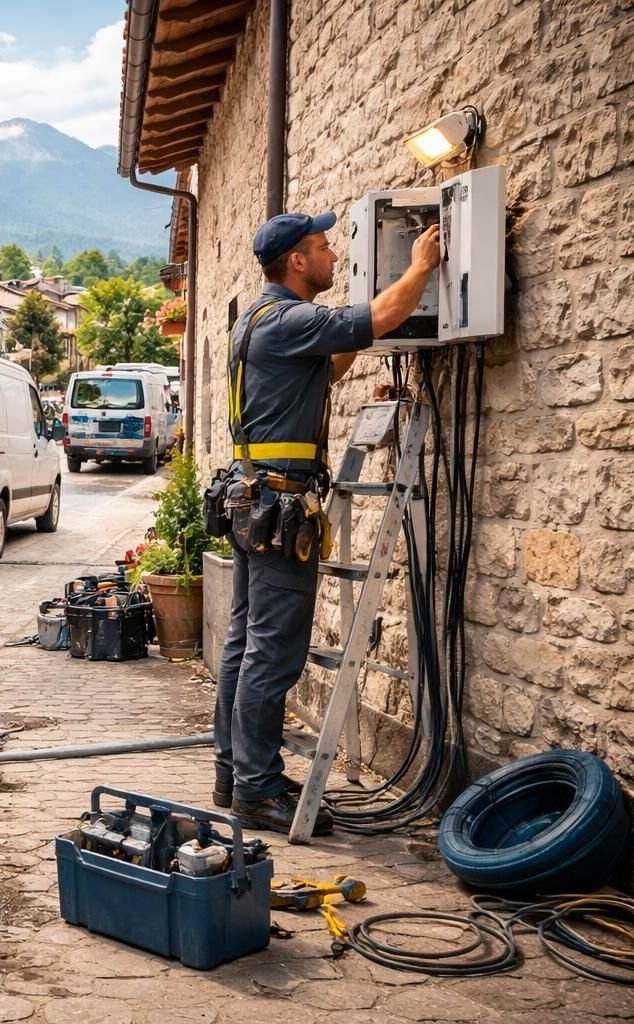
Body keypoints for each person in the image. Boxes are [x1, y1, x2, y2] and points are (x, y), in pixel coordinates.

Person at [214, 211, 441, 835]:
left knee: (243, 642)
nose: (333, 253)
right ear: (296, 261)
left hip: (253, 501)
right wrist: (421, 265)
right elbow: (379, 318)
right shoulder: (289, 318)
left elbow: (324, 366)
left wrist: (349, 362)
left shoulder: (257, 321)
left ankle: (234, 772)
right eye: (322, 246)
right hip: (278, 504)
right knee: (273, 652)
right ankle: (257, 791)